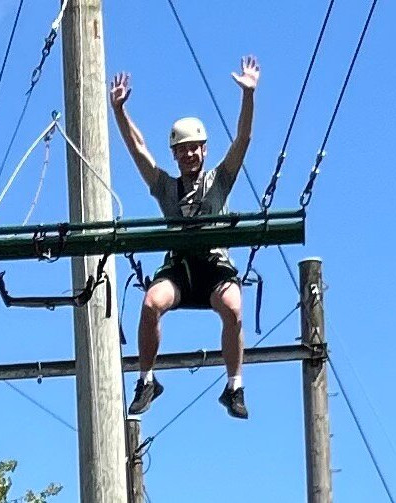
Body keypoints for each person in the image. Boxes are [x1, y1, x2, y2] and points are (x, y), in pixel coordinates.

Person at [109, 56, 260, 419]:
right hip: (180, 269)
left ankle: (234, 386)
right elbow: (138, 149)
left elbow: (243, 139)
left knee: (234, 309)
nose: (190, 154)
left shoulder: (219, 180)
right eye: (183, 150)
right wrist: (119, 111)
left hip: (213, 266)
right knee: (150, 304)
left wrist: (248, 96)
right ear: (175, 154)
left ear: (204, 150)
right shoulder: (165, 186)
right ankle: (146, 380)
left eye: (195, 148)